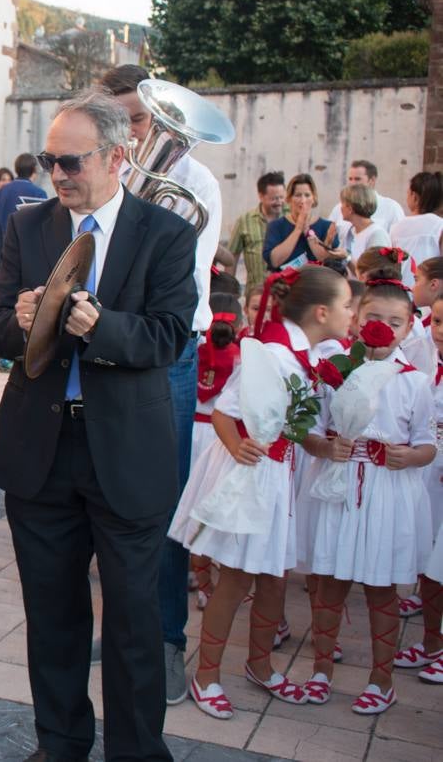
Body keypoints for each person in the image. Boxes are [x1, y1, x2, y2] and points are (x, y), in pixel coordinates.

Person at [0, 90, 197, 760]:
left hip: (125, 454)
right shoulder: (28, 226)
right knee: (52, 616)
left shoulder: (167, 233)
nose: (58, 174)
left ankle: (135, 752)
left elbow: (167, 338)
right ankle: (61, 744)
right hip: (40, 451)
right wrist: (19, 323)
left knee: (133, 623)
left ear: (116, 156)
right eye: (50, 159)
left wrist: (102, 327)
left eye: (70, 161)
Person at [172, 265, 352, 719]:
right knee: (234, 579)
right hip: (249, 477)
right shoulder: (272, 354)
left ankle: (260, 664)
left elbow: (294, 428)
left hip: (277, 477)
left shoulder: (301, 355)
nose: (353, 313)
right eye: (348, 305)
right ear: (321, 311)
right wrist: (241, 447)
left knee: (274, 578)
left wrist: (322, 446)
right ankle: (207, 675)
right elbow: (224, 415)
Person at [102, 63, 225, 706]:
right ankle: (126, 624)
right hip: (105, 341)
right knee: (107, 485)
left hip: (166, 350)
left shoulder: (195, 181)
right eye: (119, 121)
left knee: (163, 494)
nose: (131, 133)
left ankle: (169, 640)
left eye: (140, 121)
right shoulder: (103, 173)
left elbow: (177, 283)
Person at [304, 272, 436, 714]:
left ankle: (382, 679)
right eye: (373, 317)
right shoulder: (334, 371)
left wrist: (410, 457)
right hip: (340, 485)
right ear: (357, 319)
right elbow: (311, 432)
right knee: (330, 583)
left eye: (394, 322)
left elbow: (427, 443)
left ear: (408, 328)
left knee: (381, 589)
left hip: (384, 493)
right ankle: (321, 669)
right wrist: (324, 445)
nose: (382, 328)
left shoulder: (414, 382)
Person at [392, 294, 443, 682]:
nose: (439, 332)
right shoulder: (430, 368)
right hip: (431, 474)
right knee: (432, 564)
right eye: (437, 322)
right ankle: (431, 643)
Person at [185, 294, 245, 609]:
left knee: (190, 502)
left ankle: (198, 578)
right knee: (211, 508)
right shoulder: (241, 358)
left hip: (192, 431)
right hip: (222, 436)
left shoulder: (195, 350)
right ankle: (212, 583)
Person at [264, 174, 342, 270]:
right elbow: (274, 261)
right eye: (298, 195)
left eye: (307, 195)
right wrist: (298, 229)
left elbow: (329, 263)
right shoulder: (276, 226)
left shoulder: (326, 226)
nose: (303, 200)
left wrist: (308, 232)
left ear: (314, 198)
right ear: (289, 198)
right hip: (284, 284)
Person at [229, 171, 288, 291]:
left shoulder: (292, 218)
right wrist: (229, 289)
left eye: (282, 197)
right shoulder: (245, 221)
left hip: (287, 292)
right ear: (261, 196)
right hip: (256, 294)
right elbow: (232, 257)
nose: (279, 202)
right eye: (274, 198)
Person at [328, 160, 405, 243]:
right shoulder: (339, 208)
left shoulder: (392, 208)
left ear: (372, 180)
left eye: (357, 179)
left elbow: (399, 247)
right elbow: (329, 240)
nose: (352, 183)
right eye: (350, 179)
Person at [390, 171, 443, 284]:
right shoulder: (439, 225)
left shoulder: (396, 227)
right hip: (431, 290)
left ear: (415, 197)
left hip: (401, 291)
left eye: (408, 193)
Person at [0, 153, 47, 233]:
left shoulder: (3, 190)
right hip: (27, 243)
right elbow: (44, 225)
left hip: (3, 242)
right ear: (34, 170)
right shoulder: (39, 193)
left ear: (16, 169)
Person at [340, 183, 390, 267]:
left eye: (342, 203)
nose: (340, 208)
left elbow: (372, 272)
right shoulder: (350, 230)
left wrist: (347, 258)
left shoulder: (377, 234)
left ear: (350, 209)